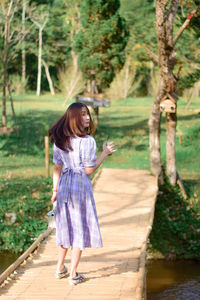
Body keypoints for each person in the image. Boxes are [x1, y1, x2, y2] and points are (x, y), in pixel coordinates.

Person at [48, 102, 116, 285]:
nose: (87, 118)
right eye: (83, 114)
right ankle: (73, 274)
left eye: (88, 114)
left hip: (64, 187)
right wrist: (105, 153)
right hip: (80, 188)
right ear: (75, 118)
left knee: (65, 227)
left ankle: (59, 268)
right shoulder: (88, 142)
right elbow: (88, 170)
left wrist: (55, 190)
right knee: (78, 229)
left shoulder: (60, 139)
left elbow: (57, 168)